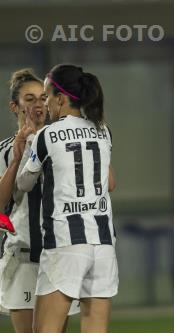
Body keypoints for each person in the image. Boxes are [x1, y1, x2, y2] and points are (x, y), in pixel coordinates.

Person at [17, 64, 118, 333]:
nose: (45, 103)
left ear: (60, 99)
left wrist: (25, 149)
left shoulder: (46, 135)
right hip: (103, 244)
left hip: (64, 243)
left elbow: (24, 183)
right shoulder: (103, 130)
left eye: (47, 96)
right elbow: (110, 183)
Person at [0, 69, 78, 333]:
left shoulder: (64, 143)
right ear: (15, 106)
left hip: (58, 256)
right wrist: (16, 160)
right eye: (29, 98)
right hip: (23, 258)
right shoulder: (4, 150)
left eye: (43, 97)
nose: (38, 105)